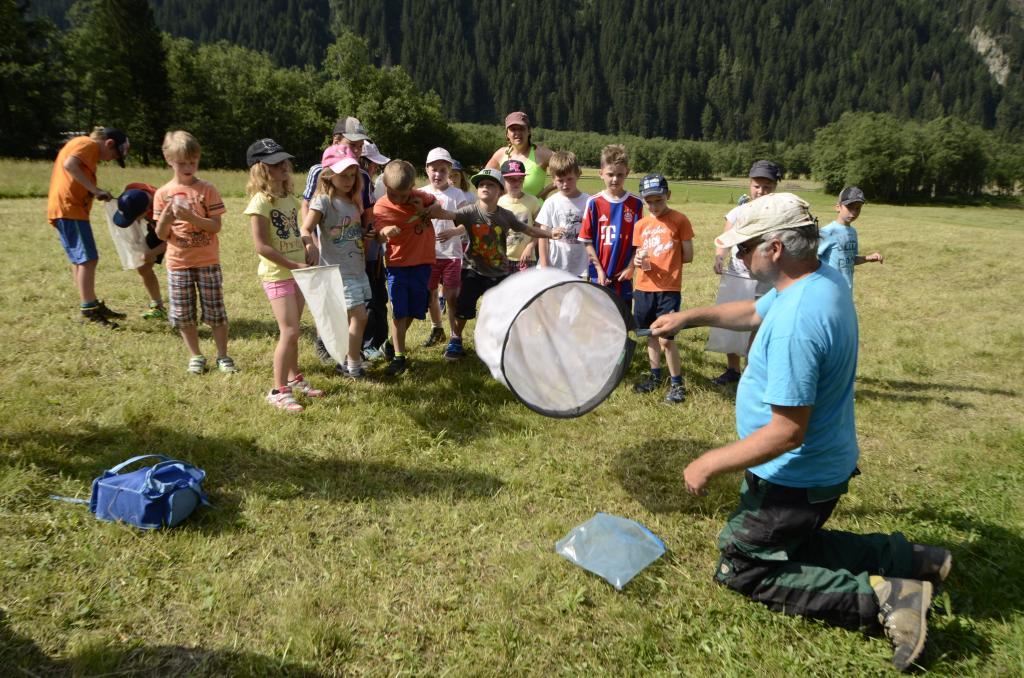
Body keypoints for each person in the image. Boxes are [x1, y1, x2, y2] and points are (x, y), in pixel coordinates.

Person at [650, 192, 952, 672]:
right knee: (786, 542)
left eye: (744, 248)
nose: (738, 257)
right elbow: (752, 314)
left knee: (742, 565)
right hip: (820, 464)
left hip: (794, 474)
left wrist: (708, 462)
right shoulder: (818, 279)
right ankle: (909, 557)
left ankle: (888, 598)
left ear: (774, 248)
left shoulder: (797, 322)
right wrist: (690, 317)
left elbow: (787, 432)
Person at [442, 168, 564, 361]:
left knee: (500, 310)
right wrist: (431, 210)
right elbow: (448, 214)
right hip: (472, 270)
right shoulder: (470, 211)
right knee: (463, 306)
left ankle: (499, 342)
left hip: (498, 272)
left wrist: (550, 234)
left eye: (490, 185)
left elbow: (529, 230)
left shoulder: (505, 216)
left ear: (500, 191)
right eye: (481, 184)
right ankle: (455, 339)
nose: (485, 188)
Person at [244, 138, 323, 411]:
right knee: (288, 331)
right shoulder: (260, 202)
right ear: (261, 170)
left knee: (295, 330)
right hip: (278, 275)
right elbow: (262, 246)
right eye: (276, 164)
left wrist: (309, 244)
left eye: (284, 162)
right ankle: (278, 390)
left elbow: (297, 232)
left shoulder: (289, 198)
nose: (284, 167)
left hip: (296, 272)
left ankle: (294, 377)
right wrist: (294, 266)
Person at [153, 131, 236, 375]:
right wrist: (167, 218)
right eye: (182, 162)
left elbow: (215, 226)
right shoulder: (162, 194)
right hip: (178, 263)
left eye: (193, 161)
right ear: (169, 160)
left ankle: (223, 356)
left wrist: (192, 217)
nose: (188, 167)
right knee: (183, 314)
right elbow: (160, 234)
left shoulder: (207, 190)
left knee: (215, 312)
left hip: (207, 261)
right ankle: (196, 355)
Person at [372, 159, 452, 376]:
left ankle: (391, 343)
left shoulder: (420, 197)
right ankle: (399, 357)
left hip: (424, 264)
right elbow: (377, 237)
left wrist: (428, 210)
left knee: (413, 311)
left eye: (405, 194)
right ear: (386, 186)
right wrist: (385, 231)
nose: (400, 199)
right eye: (395, 194)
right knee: (398, 312)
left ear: (413, 187)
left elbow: (437, 206)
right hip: (398, 267)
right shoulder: (381, 206)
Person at [706, 159, 780, 385]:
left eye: (767, 187)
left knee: (758, 324)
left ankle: (752, 370)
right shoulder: (737, 212)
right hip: (737, 276)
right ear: (749, 184)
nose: (761, 191)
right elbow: (725, 240)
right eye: (757, 186)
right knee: (732, 321)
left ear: (775, 187)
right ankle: (732, 369)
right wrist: (720, 256)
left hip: (765, 279)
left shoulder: (779, 214)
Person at [47, 127, 130, 328]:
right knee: (88, 258)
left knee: (80, 260)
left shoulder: (86, 148)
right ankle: (89, 309)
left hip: (69, 210)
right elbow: (70, 165)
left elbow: (75, 174)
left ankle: (90, 302)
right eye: (113, 155)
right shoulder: (88, 144)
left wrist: (94, 192)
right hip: (70, 209)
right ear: (109, 143)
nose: (110, 159)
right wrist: (95, 189)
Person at [301, 150, 372, 379]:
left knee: (356, 317)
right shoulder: (323, 201)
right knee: (359, 316)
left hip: (357, 269)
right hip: (339, 271)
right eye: (344, 175)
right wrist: (310, 245)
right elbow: (306, 228)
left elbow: (350, 231)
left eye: (353, 175)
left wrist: (365, 233)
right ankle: (352, 364)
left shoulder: (352, 202)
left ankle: (348, 358)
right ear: (328, 175)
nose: (349, 180)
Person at [631, 173, 694, 404]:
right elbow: (638, 254)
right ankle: (655, 377)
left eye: (659, 200)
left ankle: (677, 384)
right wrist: (638, 261)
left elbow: (688, 256)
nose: (654, 206)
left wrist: (668, 257)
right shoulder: (640, 225)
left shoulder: (680, 220)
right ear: (643, 200)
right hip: (644, 287)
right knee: (650, 334)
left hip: (668, 288)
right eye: (649, 201)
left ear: (668, 195)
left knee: (666, 338)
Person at [579, 144, 644, 302]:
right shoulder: (593, 202)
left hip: (624, 276)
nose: (615, 179)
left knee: (622, 321)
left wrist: (631, 267)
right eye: (610, 174)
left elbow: (640, 243)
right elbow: (587, 242)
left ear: (627, 173)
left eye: (620, 175)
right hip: (599, 276)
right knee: (598, 320)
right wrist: (599, 270)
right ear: (601, 173)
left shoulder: (636, 204)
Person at [419, 148, 469, 349]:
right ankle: (436, 328)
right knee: (430, 293)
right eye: (434, 169)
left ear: (450, 171)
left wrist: (453, 233)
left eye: (442, 169)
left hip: (451, 255)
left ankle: (455, 338)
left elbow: (467, 222)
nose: (437, 174)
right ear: (426, 170)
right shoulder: (421, 193)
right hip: (428, 254)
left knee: (451, 296)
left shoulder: (457, 194)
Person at [111, 183, 168, 319]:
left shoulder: (164, 208)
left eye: (135, 217)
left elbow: (175, 240)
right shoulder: (131, 189)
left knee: (179, 270)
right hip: (155, 227)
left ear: (146, 211)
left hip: (178, 234)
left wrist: (152, 253)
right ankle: (157, 307)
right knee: (143, 267)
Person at [536, 151, 590, 277]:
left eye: (569, 179)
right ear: (553, 179)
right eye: (560, 180)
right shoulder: (551, 202)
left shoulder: (589, 202)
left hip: (579, 267)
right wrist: (544, 266)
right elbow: (543, 236)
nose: (565, 184)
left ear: (577, 175)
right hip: (555, 266)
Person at [818, 186, 883, 289]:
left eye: (858, 208)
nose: (854, 212)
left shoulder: (852, 232)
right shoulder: (827, 231)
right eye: (850, 207)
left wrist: (868, 258)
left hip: (847, 289)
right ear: (838, 207)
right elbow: (810, 260)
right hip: (830, 289)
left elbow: (851, 260)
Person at [485, 111, 555, 199]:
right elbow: (485, 180)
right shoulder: (500, 154)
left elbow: (570, 167)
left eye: (521, 128)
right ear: (507, 134)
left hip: (535, 212)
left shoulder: (541, 154)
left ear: (529, 131)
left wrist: (544, 192)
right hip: (505, 211)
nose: (517, 132)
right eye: (513, 129)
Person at [497, 159, 543, 271]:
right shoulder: (498, 202)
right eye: (512, 180)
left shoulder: (532, 201)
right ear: (503, 180)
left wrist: (530, 246)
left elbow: (539, 226)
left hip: (526, 258)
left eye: (520, 179)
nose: (516, 183)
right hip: (503, 258)